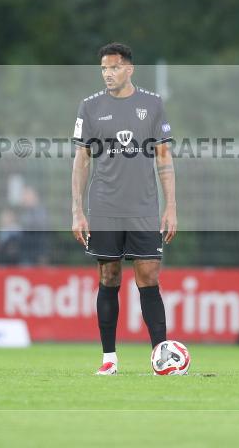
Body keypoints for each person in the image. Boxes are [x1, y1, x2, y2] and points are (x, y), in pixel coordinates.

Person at [71, 42, 177, 375]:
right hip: (104, 207)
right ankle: (109, 358)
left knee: (148, 275)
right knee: (109, 275)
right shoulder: (89, 107)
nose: (108, 74)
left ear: (129, 69)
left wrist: (171, 206)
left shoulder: (152, 104)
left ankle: (161, 355)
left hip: (144, 207)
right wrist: (77, 210)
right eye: (103, 68)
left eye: (114, 67)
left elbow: (163, 157)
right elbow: (82, 160)